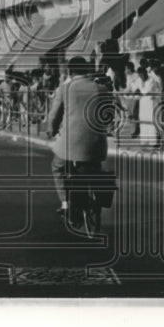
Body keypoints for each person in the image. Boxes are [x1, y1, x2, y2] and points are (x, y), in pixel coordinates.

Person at [48, 56, 111, 225]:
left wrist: (51, 131)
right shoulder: (102, 89)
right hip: (97, 144)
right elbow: (109, 116)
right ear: (87, 70)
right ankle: (96, 199)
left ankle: (66, 203)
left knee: (57, 166)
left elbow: (54, 116)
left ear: (70, 71)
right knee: (95, 167)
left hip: (70, 144)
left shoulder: (65, 89)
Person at [139, 61, 164, 146]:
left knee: (153, 121)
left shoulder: (152, 80)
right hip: (144, 103)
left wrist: (139, 91)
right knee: (144, 120)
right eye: (140, 75)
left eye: (142, 75)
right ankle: (145, 140)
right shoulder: (142, 80)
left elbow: (147, 91)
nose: (141, 77)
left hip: (152, 103)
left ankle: (155, 141)